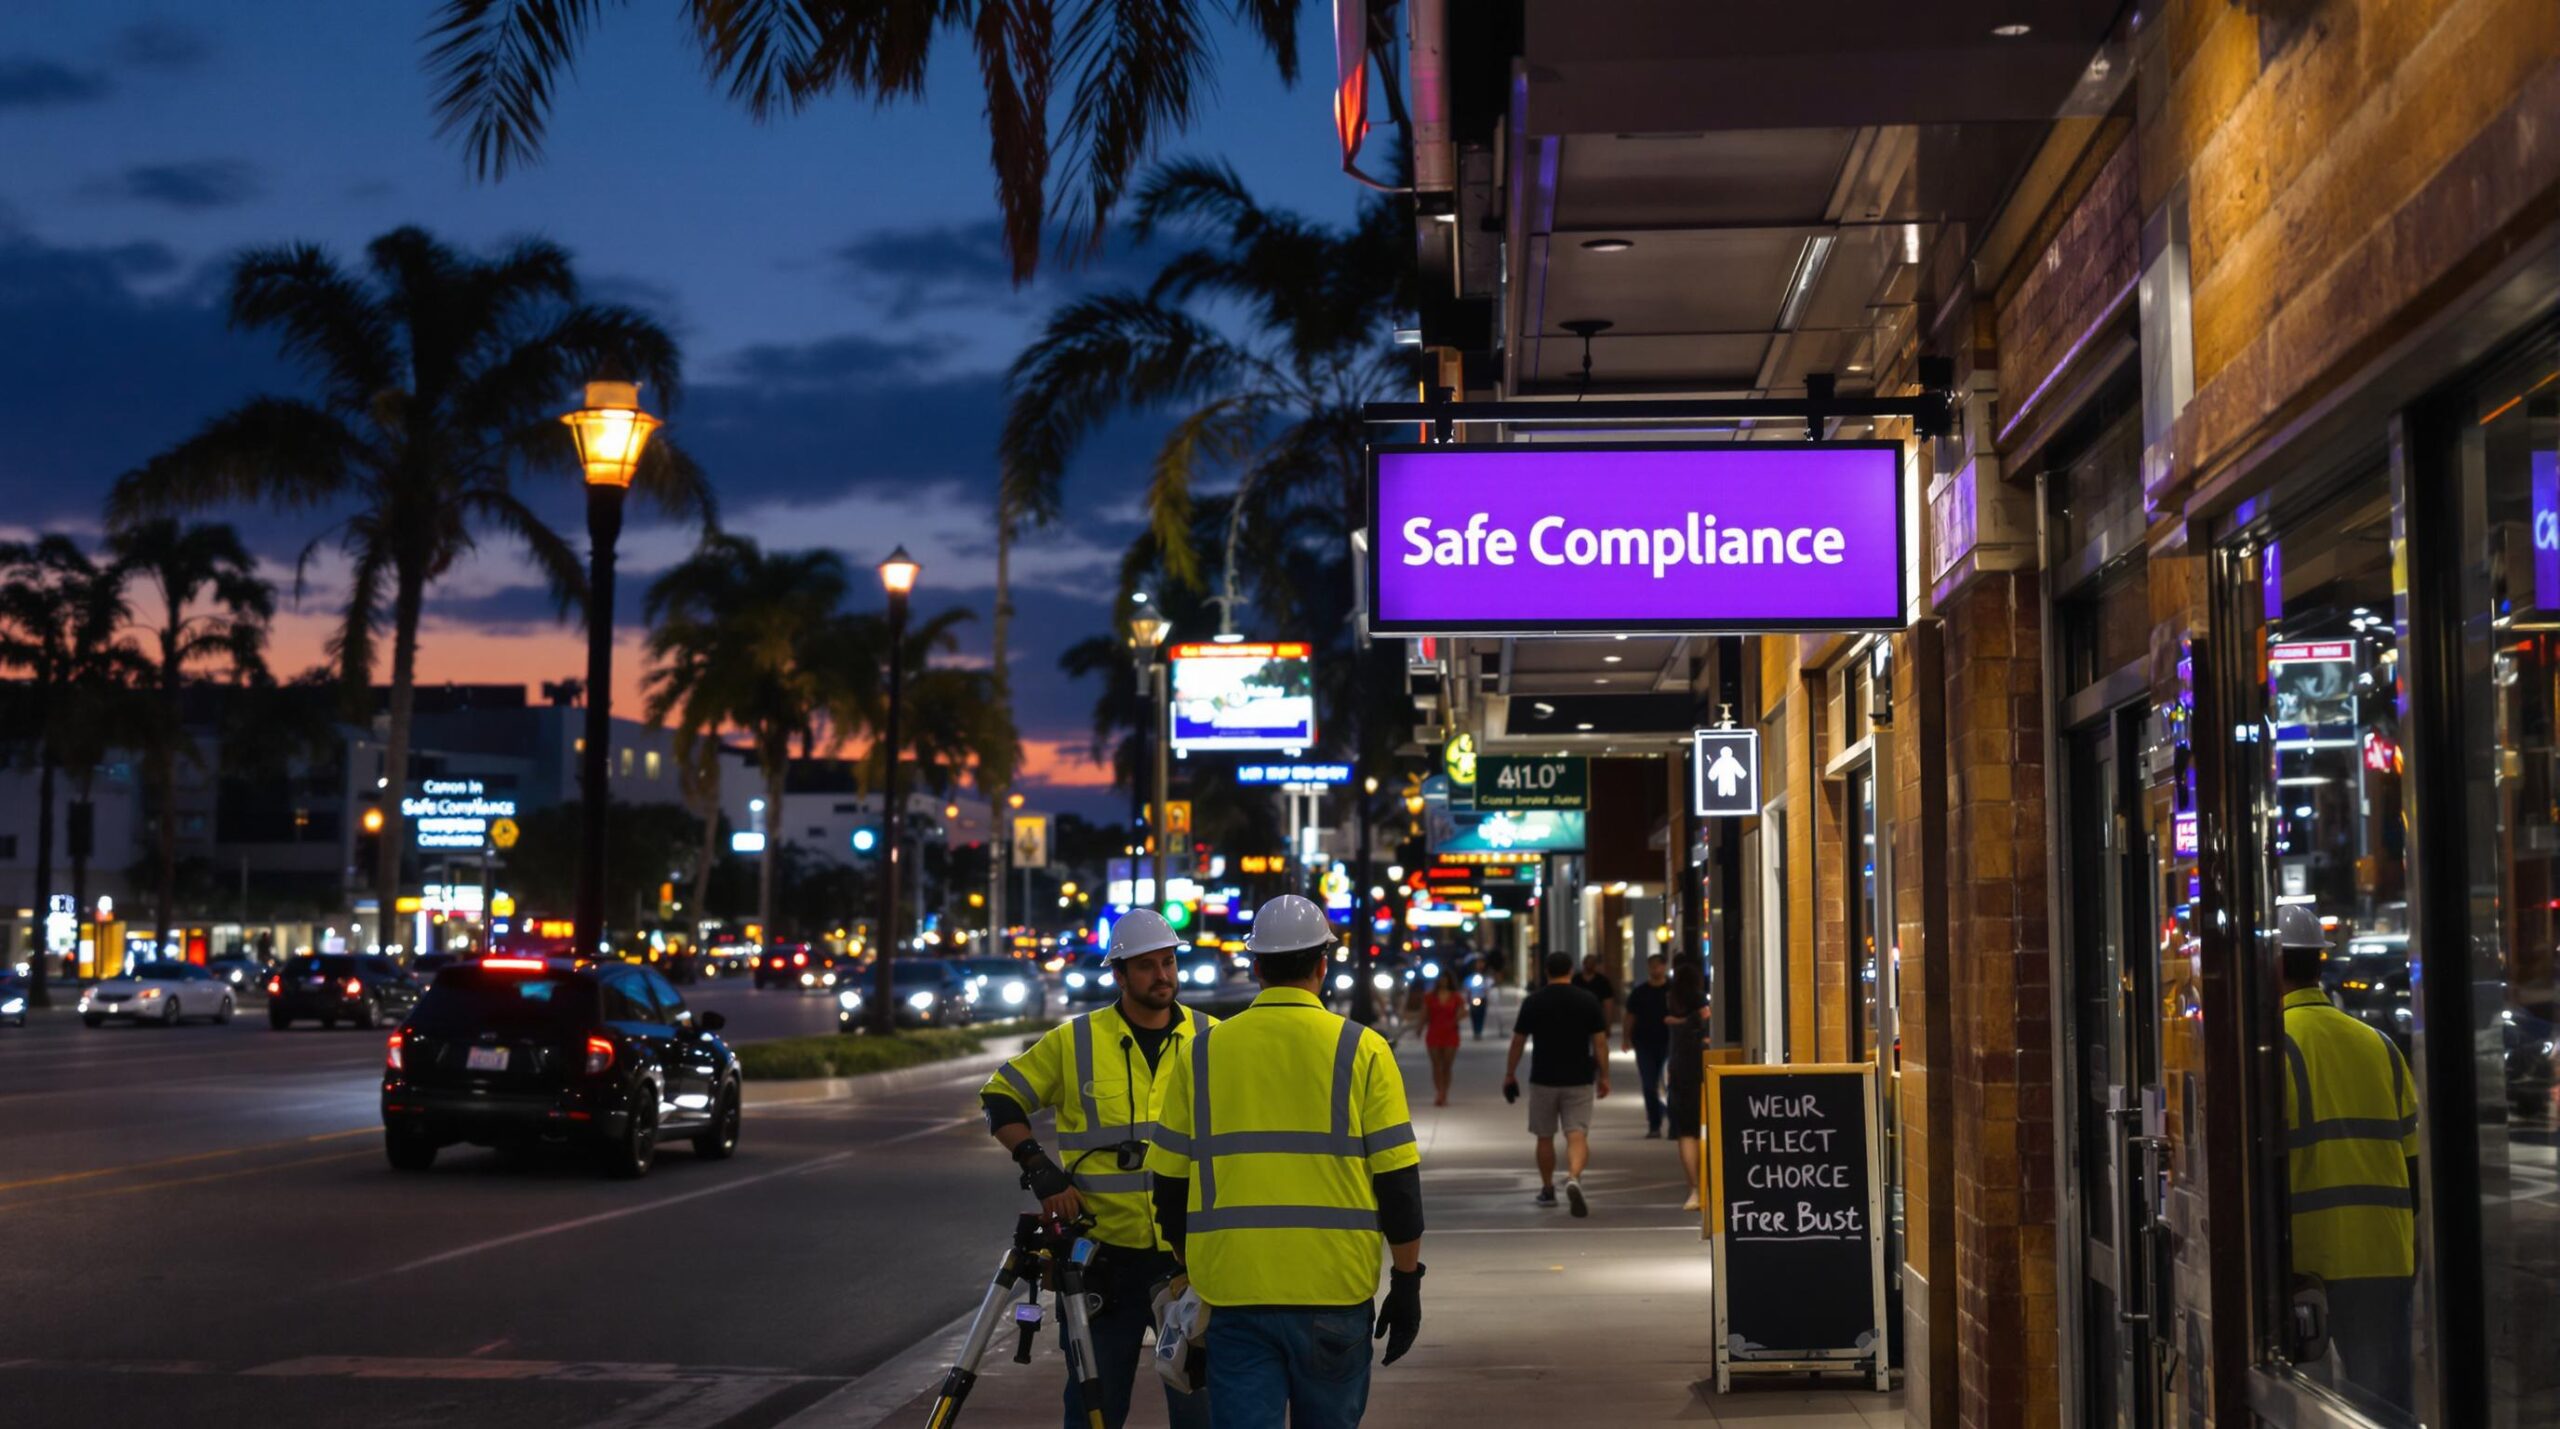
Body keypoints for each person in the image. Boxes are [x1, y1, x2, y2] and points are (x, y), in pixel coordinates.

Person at [1148, 894, 1425, 1429]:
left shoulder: (1201, 1052)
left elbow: (1169, 1184)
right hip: (1334, 1289)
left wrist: (1187, 1266)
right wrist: (1407, 1281)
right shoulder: (1363, 1049)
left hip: (1234, 1290)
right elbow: (1397, 1183)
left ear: (1256, 967)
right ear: (1323, 963)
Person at [982, 908, 1215, 1429]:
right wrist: (1039, 1169)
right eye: (1148, 966)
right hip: (1104, 1262)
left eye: (1169, 962)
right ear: (1119, 973)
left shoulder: (1211, 1039)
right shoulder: (1076, 1042)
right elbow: (999, 1097)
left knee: (1200, 1407)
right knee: (1096, 1408)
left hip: (1191, 1259)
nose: (1163, 976)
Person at [2276, 905, 2420, 1413]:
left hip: (2306, 1265)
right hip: (2384, 1254)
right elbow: (2412, 1168)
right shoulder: (2380, 1046)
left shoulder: (2273, 1050)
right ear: (2319, 962)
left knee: (2302, 1409)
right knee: (2384, 1410)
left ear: (2273, 966)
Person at [1505, 950, 1610, 1216]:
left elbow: (1518, 1040)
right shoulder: (1588, 1000)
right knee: (1576, 1133)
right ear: (1571, 970)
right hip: (1580, 1078)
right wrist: (1604, 1075)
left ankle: (1548, 1188)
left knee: (1544, 1136)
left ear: (1546, 971)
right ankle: (1574, 1176)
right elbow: (1600, 1041)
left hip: (1544, 1077)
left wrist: (1510, 1073)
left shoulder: (1533, 1001)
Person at [1665, 957, 1709, 1212]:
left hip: (1679, 1065)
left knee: (1686, 1131)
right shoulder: (1699, 999)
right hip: (1702, 1064)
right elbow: (1706, 1023)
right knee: (1706, 1125)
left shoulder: (1671, 1000)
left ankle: (1694, 1188)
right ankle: (1710, 1184)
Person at [1623, 953, 1672, 1138]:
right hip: (1644, 1043)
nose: (1655, 969)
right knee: (1649, 1085)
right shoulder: (1640, 992)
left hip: (1668, 1042)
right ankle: (1654, 1123)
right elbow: (1630, 1015)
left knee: (1669, 1085)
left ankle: (1673, 1121)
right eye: (1652, 966)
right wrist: (1626, 1038)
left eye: (1658, 966)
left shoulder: (1672, 990)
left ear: (1664, 967)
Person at [1421, 966, 1466, 1106]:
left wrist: (1456, 1019)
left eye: (1445, 979)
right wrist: (1419, 1027)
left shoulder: (1456, 997)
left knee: (1447, 1065)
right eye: (1441, 979)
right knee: (1436, 1065)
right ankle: (1439, 1092)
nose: (1443, 982)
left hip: (1450, 1033)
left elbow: (1463, 1012)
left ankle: (1445, 1091)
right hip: (1434, 1032)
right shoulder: (1430, 996)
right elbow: (1424, 1013)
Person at [1573, 954, 1620, 1047]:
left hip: (1597, 1018)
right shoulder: (1575, 980)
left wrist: (1608, 1024)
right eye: (1588, 963)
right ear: (1583, 964)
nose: (1590, 965)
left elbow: (1608, 1004)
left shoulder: (1602, 981)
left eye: (1592, 963)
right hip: (1577, 1020)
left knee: (1598, 1047)